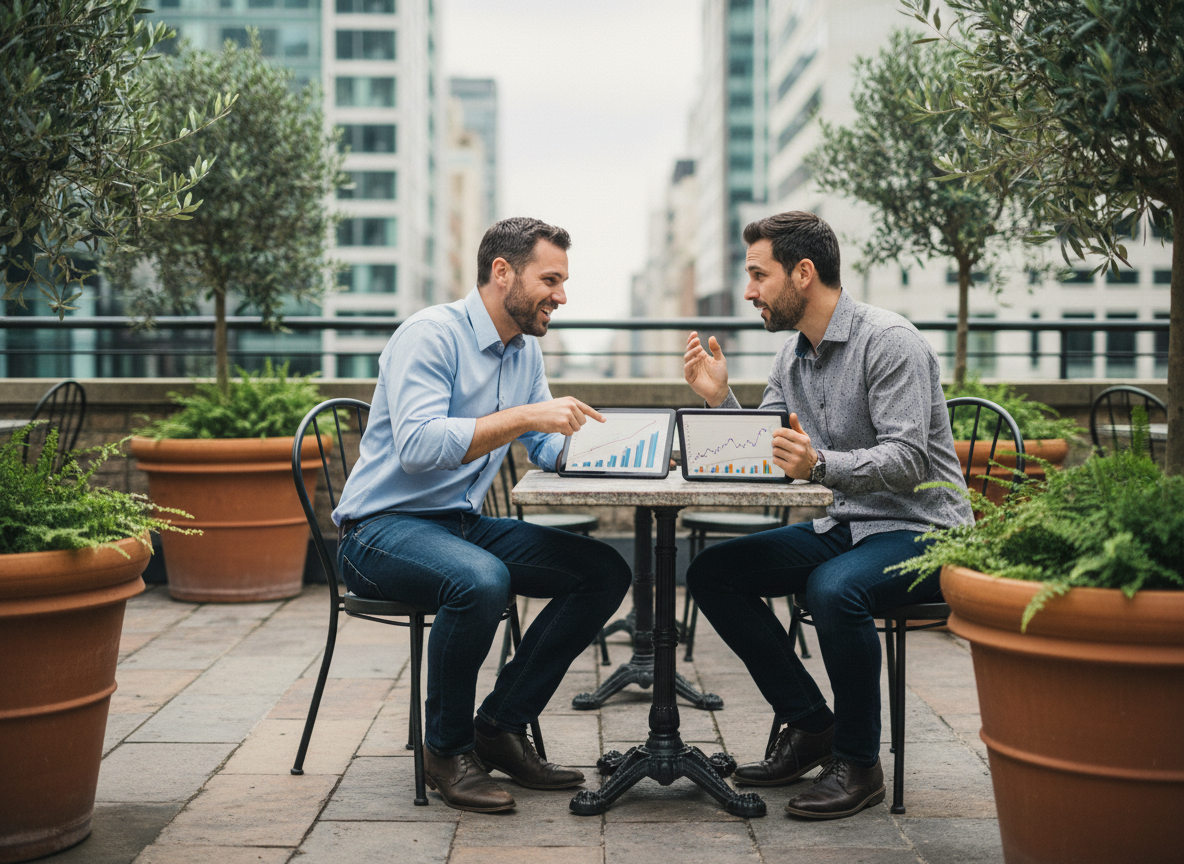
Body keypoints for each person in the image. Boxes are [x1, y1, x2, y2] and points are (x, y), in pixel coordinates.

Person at [333, 217, 633, 813]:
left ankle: (499, 726)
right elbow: (419, 448)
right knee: (480, 580)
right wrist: (527, 418)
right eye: (550, 279)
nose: (562, 296)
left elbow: (549, 447)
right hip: (379, 533)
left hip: (461, 526)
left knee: (603, 572)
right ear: (503, 273)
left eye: (564, 281)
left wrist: (633, 452)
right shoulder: (431, 336)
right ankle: (444, 749)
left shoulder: (523, 352)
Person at [683, 211, 972, 820]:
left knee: (833, 589)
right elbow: (767, 450)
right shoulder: (792, 355)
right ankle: (812, 725)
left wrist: (819, 467)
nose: (750, 291)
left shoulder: (889, 340)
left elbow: (908, 459)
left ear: (803, 273)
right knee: (714, 572)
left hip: (923, 528)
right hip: (842, 525)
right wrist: (720, 400)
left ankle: (859, 764)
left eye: (759, 275)